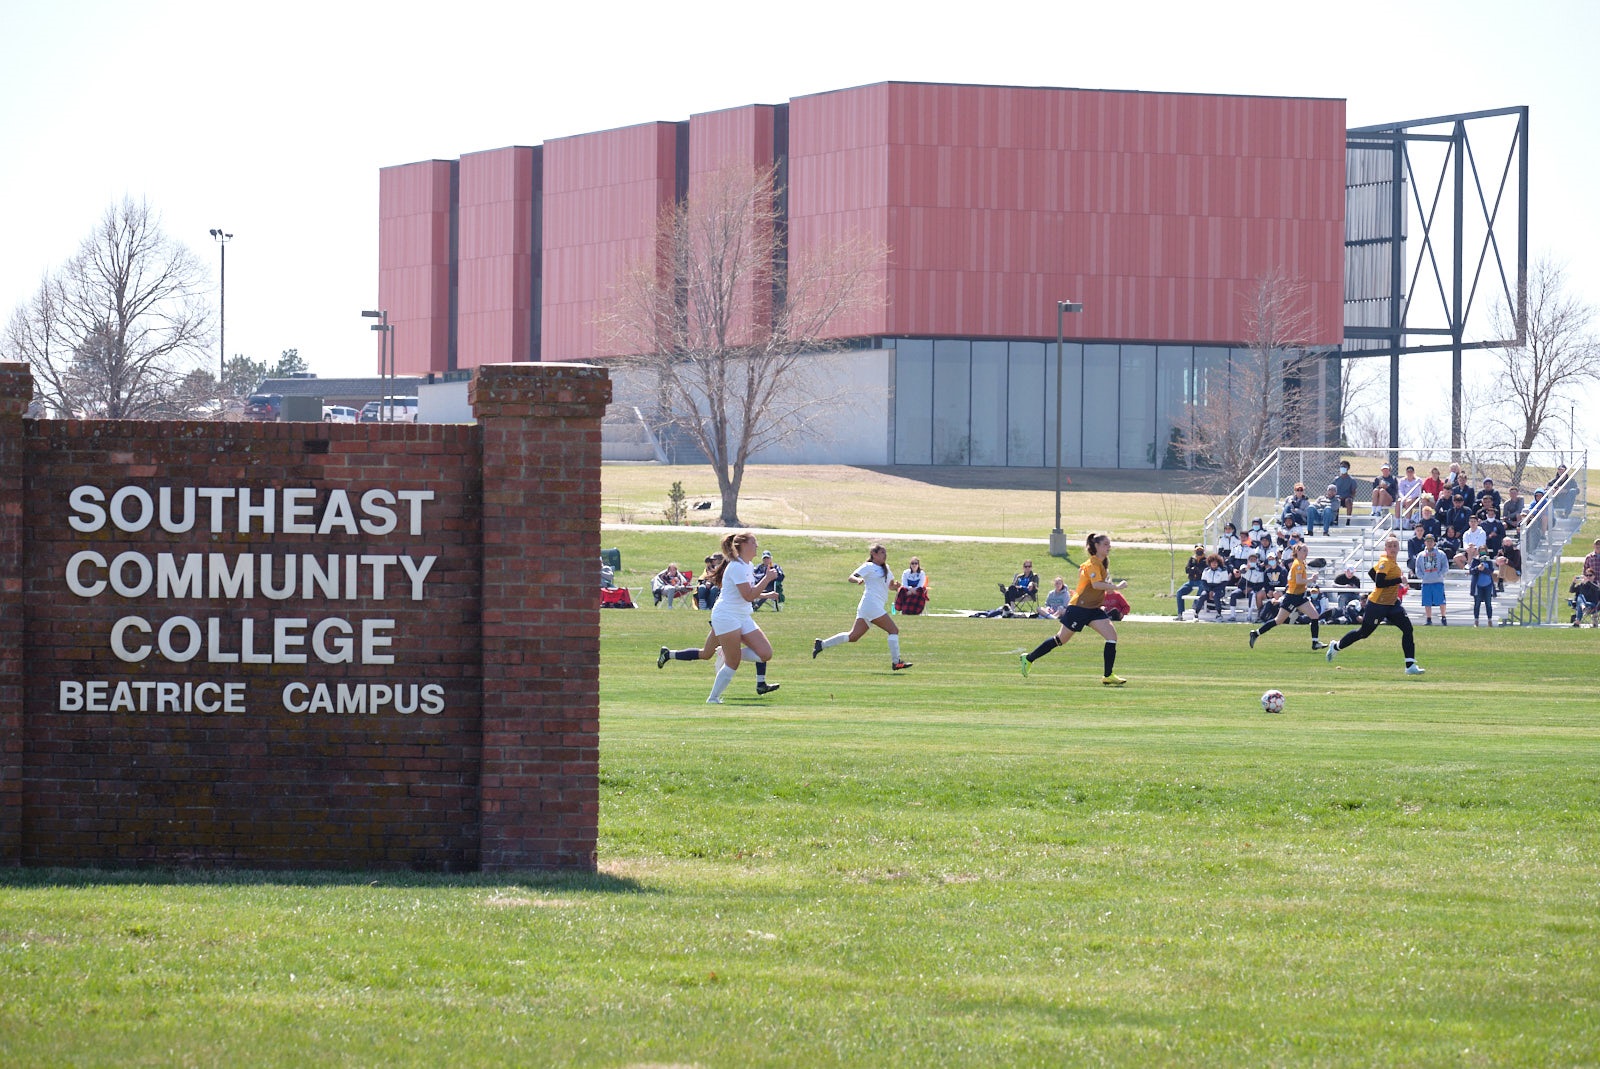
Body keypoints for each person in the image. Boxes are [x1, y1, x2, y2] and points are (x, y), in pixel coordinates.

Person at [659, 533, 779, 701]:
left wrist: (766, 594)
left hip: (742, 615)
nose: (757, 546)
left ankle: (726, 652)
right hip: (726, 616)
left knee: (765, 653)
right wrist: (767, 579)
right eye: (754, 542)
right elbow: (748, 596)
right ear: (743, 545)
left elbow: (747, 593)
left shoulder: (748, 565)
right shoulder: (736, 566)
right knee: (732, 662)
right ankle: (713, 698)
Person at [1020, 532, 1128, 685]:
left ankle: (1108, 675)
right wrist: (1116, 586)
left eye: (1109, 544)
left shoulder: (1102, 564)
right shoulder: (1091, 564)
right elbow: (1097, 585)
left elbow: (1103, 587)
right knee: (1060, 640)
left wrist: (1112, 587)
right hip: (1079, 608)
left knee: (1112, 636)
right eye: (1105, 544)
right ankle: (1028, 658)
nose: (1109, 547)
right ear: (1096, 546)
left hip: (1094, 609)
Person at [1325, 536, 1425, 674]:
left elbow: (1372, 572)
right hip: (1377, 604)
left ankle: (1410, 665)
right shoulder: (1385, 561)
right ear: (1385, 548)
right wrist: (1398, 580)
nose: (1392, 548)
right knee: (1363, 633)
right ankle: (1336, 646)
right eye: (1389, 546)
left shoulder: (1389, 561)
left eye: (1395, 545)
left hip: (1392, 604)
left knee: (1407, 629)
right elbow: (1379, 582)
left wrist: (1392, 587)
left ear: (1399, 548)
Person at [814, 543, 912, 670]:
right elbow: (851, 577)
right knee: (893, 630)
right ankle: (896, 662)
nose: (885, 555)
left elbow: (890, 585)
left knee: (853, 636)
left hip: (870, 606)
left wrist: (897, 587)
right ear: (874, 554)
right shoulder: (869, 566)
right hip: (871, 604)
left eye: (885, 553)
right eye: (882, 553)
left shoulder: (886, 568)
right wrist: (858, 580)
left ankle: (821, 644)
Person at [1249, 542, 1326, 651]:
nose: (1306, 553)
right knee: (1278, 620)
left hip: (1300, 596)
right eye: (1304, 550)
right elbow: (1299, 581)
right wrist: (1311, 580)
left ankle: (1315, 642)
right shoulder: (1298, 564)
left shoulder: (1300, 563)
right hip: (1292, 597)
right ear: (1298, 551)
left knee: (1314, 616)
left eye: (1307, 551)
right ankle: (1255, 633)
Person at [1413, 533, 1451, 626]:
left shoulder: (1441, 554)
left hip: (1437, 581)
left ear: (1434, 542)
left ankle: (1443, 617)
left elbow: (1445, 566)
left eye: (1431, 541)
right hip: (1426, 581)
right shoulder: (1421, 555)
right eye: (1428, 541)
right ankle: (1429, 619)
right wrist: (1422, 576)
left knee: (1441, 600)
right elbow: (1417, 568)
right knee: (1427, 601)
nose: (1429, 543)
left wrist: (1440, 574)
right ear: (1425, 542)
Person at [1175, 545, 1206, 619]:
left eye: (1200, 550)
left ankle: (1196, 605)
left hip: (1200, 581)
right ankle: (1180, 613)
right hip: (1191, 581)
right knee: (1179, 592)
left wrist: (1195, 570)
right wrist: (1194, 570)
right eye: (1197, 550)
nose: (1199, 551)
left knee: (1202, 587)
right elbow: (1187, 569)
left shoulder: (1205, 560)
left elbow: (1203, 571)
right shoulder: (1192, 559)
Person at [1199, 552, 1233, 621]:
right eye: (1212, 562)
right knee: (1202, 595)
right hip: (1208, 588)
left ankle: (1219, 614)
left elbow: (1224, 583)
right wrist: (1209, 590)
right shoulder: (1206, 570)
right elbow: (1203, 582)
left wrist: (1214, 590)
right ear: (1209, 563)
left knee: (1216, 596)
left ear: (1218, 563)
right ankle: (1196, 613)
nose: (1214, 564)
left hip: (1219, 588)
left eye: (1215, 562)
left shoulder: (1223, 570)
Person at [1468, 547, 1497, 626]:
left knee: (1488, 603)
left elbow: (1491, 571)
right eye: (1481, 551)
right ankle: (1476, 621)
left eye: (1484, 551)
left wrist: (1484, 569)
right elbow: (1471, 571)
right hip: (1478, 585)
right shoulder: (1475, 560)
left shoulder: (1489, 561)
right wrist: (1478, 568)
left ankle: (1490, 620)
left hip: (1487, 585)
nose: (1482, 553)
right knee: (1477, 603)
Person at [1332, 461, 1359, 525]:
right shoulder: (1336, 479)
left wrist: (1349, 496)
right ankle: (1335, 519)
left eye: (1344, 467)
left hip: (1347, 499)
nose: (1342, 468)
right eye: (1341, 467)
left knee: (1348, 501)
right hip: (1338, 498)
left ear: (1348, 468)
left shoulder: (1351, 480)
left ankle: (1348, 520)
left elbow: (1353, 492)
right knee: (1336, 500)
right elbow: (1332, 489)